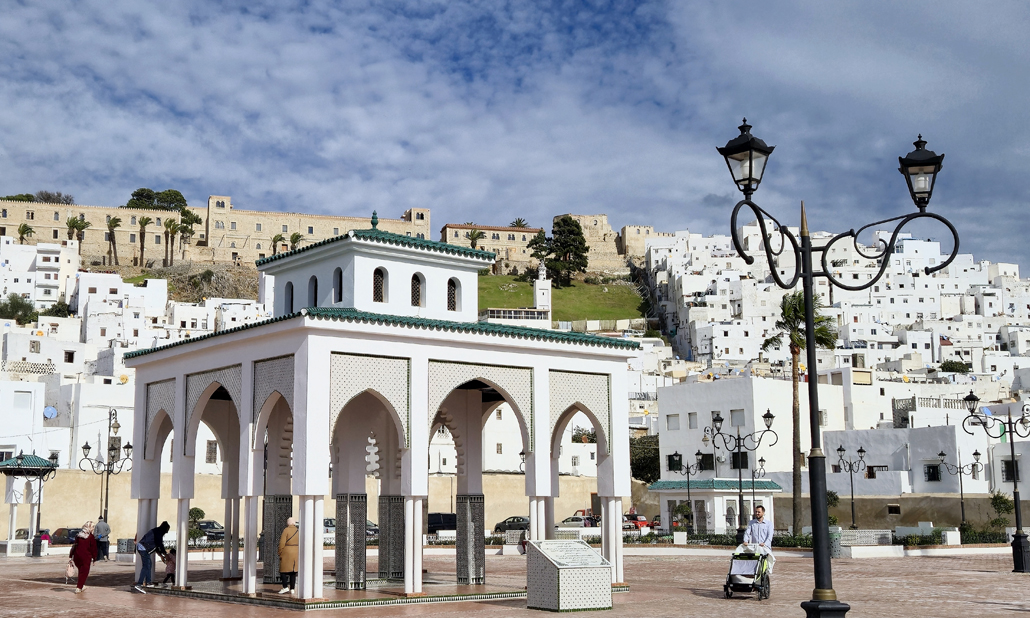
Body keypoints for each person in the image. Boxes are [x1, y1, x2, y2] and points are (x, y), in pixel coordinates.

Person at [133, 521, 170, 593]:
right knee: (146, 566)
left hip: (143, 547)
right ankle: (139, 584)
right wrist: (165, 554)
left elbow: (156, 545)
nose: (167, 532)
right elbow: (159, 544)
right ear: (165, 528)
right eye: (167, 530)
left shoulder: (156, 531)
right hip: (143, 548)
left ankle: (148, 582)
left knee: (149, 564)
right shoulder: (159, 532)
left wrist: (161, 556)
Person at [742, 505, 775, 574]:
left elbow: (770, 536)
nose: (757, 513)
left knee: (764, 567)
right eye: (756, 512)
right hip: (755, 548)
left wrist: (765, 543)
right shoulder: (752, 523)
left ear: (763, 513)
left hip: (765, 549)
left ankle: (764, 578)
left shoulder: (769, 524)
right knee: (754, 567)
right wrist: (745, 541)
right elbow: (747, 533)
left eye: (759, 512)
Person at [70, 521, 99, 594]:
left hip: (77, 556)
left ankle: (81, 585)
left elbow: (74, 545)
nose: (93, 529)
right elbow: (93, 549)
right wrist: (94, 558)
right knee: (84, 572)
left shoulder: (78, 535)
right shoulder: (90, 537)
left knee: (81, 571)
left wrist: (71, 556)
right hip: (85, 557)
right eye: (92, 527)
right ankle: (79, 587)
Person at [277, 517, 299, 594]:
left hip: (287, 552)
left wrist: (280, 552)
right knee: (293, 571)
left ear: (288, 523)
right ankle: (292, 588)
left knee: (282, 570)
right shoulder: (297, 530)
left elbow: (282, 542)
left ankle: (285, 587)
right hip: (296, 551)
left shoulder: (286, 530)